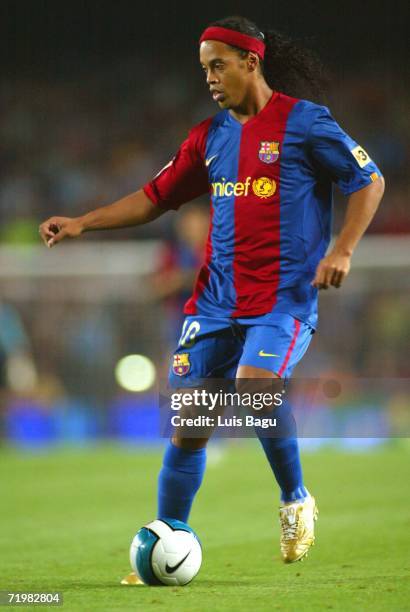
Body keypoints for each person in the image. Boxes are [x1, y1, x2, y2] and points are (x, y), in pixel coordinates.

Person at [39, 16, 385, 581]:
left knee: (254, 387)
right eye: (204, 69)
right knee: (189, 426)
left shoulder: (305, 123)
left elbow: (369, 182)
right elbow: (155, 197)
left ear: (251, 62)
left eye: (218, 64)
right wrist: (83, 222)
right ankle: (167, 535)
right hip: (214, 305)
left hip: (282, 301)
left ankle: (296, 500)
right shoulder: (210, 137)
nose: (210, 78)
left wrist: (342, 249)